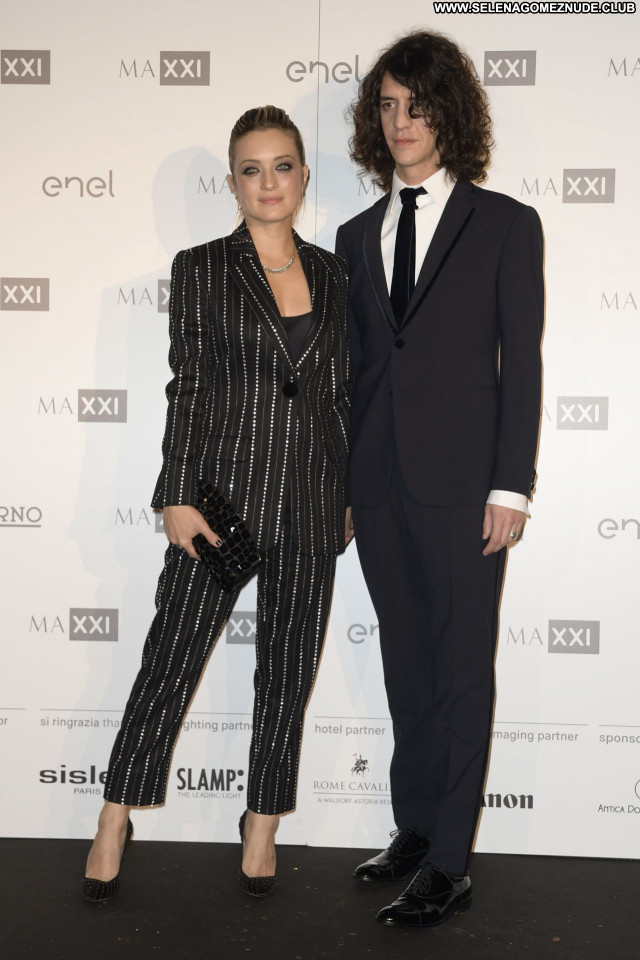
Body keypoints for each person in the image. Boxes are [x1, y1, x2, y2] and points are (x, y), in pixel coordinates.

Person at [83, 105, 352, 903]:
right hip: (222, 503)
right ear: (232, 183)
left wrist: (350, 494)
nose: (269, 183)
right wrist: (176, 493)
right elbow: (190, 385)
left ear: (303, 175)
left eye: (282, 166)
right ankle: (113, 816)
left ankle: (262, 822)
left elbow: (343, 395)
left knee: (288, 673)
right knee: (170, 661)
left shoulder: (336, 275)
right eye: (251, 169)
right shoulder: (202, 267)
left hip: (313, 501)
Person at [336, 31, 543, 927]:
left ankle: (451, 861)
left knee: (460, 672)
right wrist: (347, 487)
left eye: (417, 105)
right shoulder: (354, 236)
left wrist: (511, 486)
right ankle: (416, 828)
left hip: (466, 490)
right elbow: (356, 373)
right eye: (387, 106)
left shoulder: (505, 224)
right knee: (406, 667)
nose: (401, 122)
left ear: (448, 113)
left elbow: (521, 364)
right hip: (379, 485)